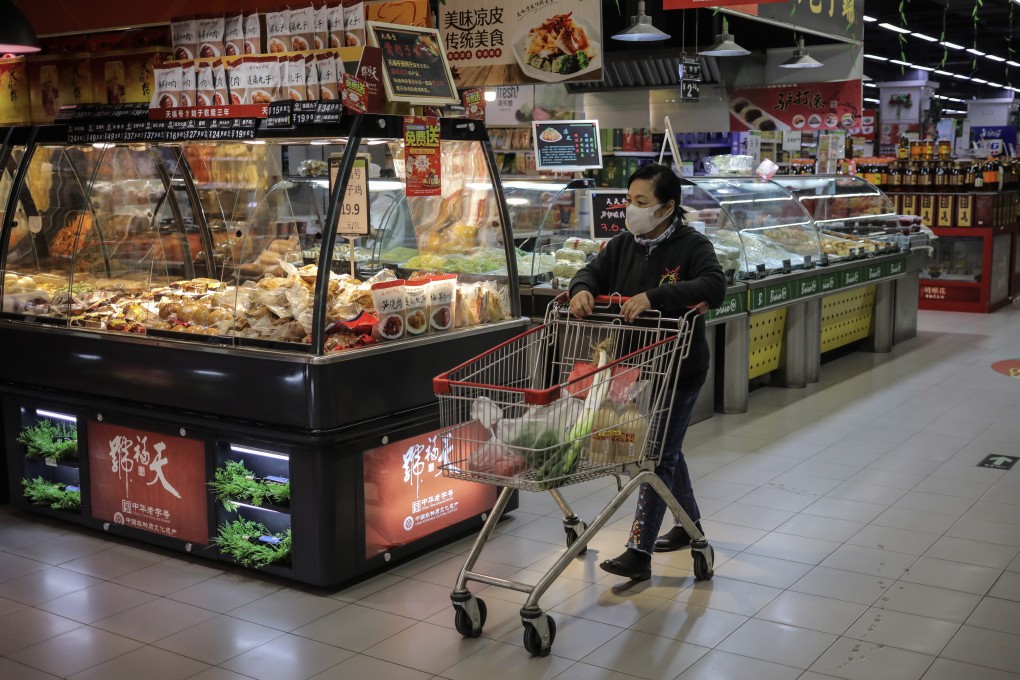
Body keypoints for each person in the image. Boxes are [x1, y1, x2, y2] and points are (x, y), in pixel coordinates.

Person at [568, 163, 726, 581]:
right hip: (634, 370)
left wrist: (654, 297)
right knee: (666, 450)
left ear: (667, 207)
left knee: (655, 456)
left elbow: (714, 286)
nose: (631, 210)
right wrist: (581, 289)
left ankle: (639, 550)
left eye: (641, 203)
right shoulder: (622, 244)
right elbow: (590, 270)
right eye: (629, 201)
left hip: (680, 367)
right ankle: (689, 526)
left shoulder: (693, 245)